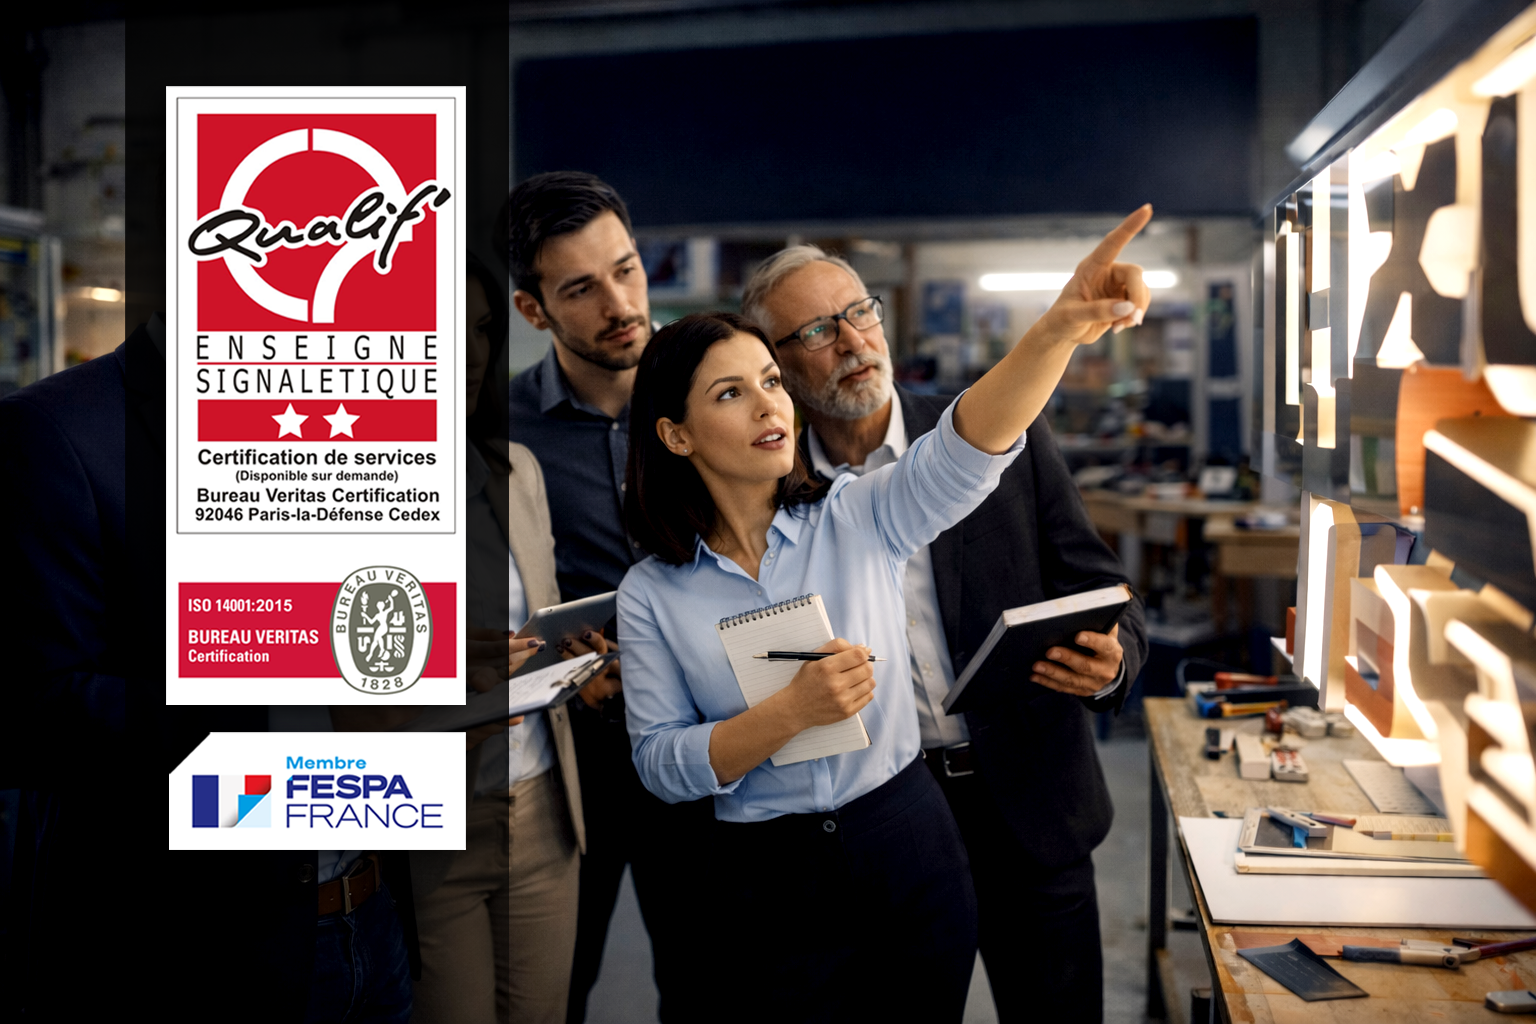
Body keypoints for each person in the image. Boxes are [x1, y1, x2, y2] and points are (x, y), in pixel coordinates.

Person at [618, 206, 1154, 1023]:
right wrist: (787, 715)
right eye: (736, 391)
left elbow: (971, 448)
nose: (768, 407)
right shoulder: (653, 591)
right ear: (677, 436)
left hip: (919, 823)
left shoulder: (855, 514)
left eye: (767, 383)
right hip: (767, 867)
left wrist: (1057, 330)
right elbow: (660, 763)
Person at [334, 253, 601, 1023]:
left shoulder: (514, 467)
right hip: (424, 812)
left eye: (484, 328)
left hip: (542, 800)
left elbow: (539, 622)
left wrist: (576, 658)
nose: (473, 349)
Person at [501, 171, 714, 1022]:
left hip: (709, 748)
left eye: (626, 269)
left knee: (710, 989)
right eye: (580, 288)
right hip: (571, 764)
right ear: (533, 310)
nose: (620, 302)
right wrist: (556, 666)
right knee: (555, 990)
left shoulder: (718, 395)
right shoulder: (496, 434)